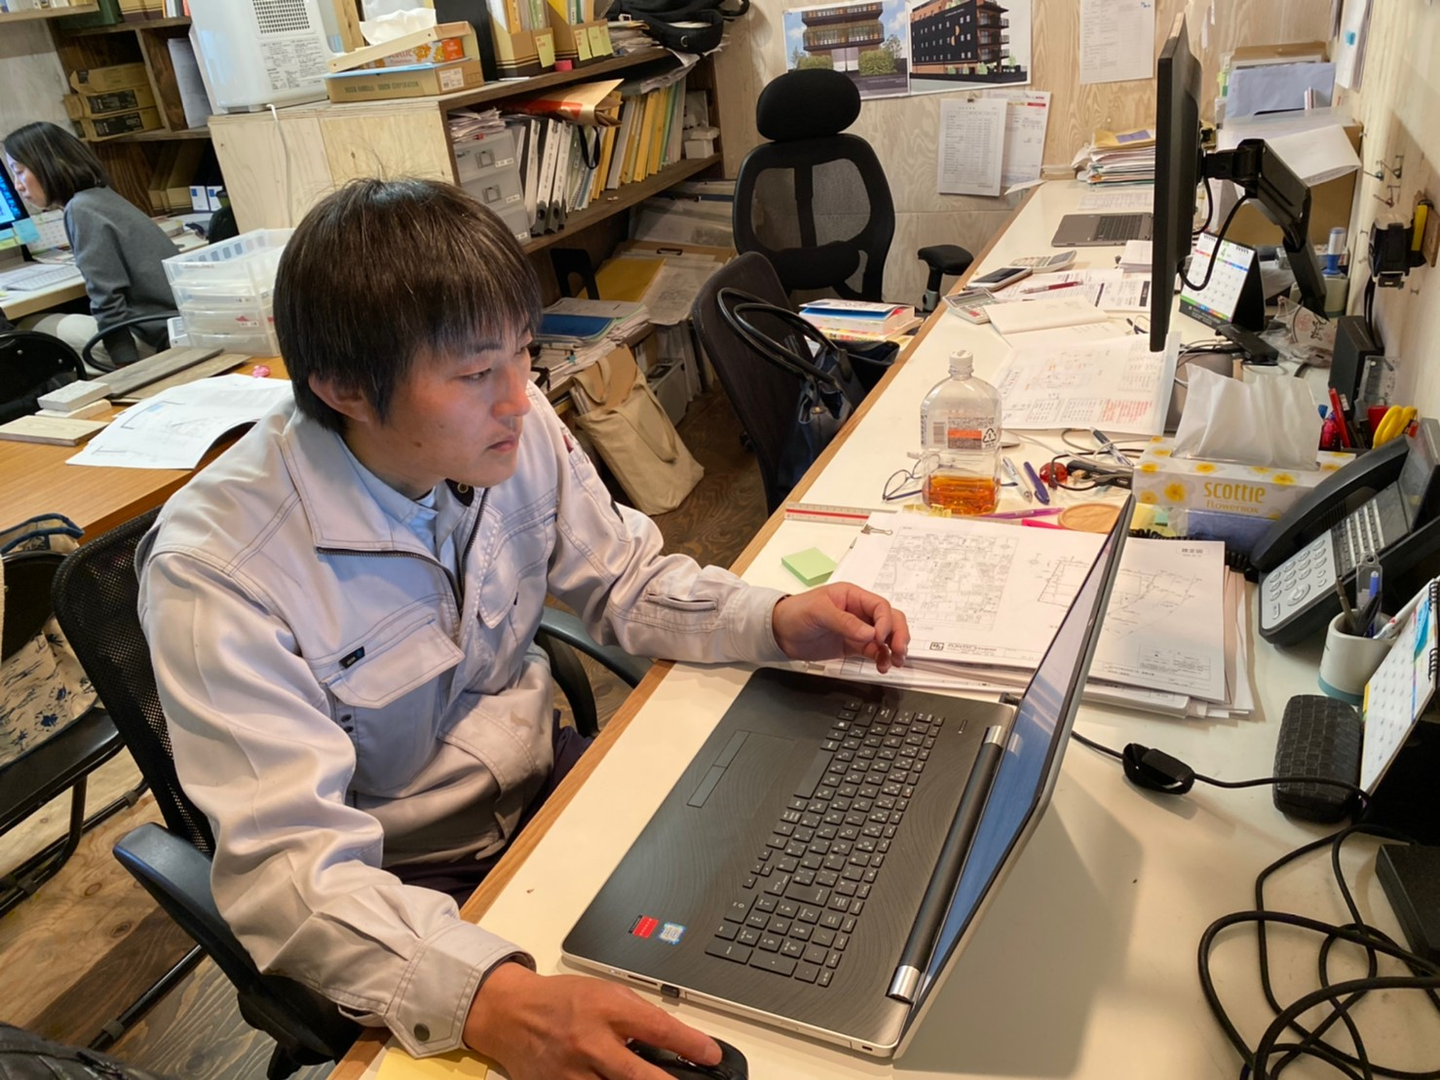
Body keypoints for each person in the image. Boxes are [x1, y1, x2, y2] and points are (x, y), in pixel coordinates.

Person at [136, 178, 910, 1080]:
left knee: (804, 891)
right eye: (475, 373)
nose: (522, 396)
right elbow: (290, 871)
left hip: (549, 787)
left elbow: (623, 578)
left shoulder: (511, 423)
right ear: (345, 387)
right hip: (407, 885)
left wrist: (772, 617)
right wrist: (491, 1000)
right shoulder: (220, 572)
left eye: (524, 352)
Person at [3, 121, 178, 368]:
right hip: (172, 323)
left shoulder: (80, 209)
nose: (17, 186)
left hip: (155, 337)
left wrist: (126, 364)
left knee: (29, 328)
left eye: (19, 171)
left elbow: (107, 297)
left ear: (48, 165)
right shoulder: (100, 196)